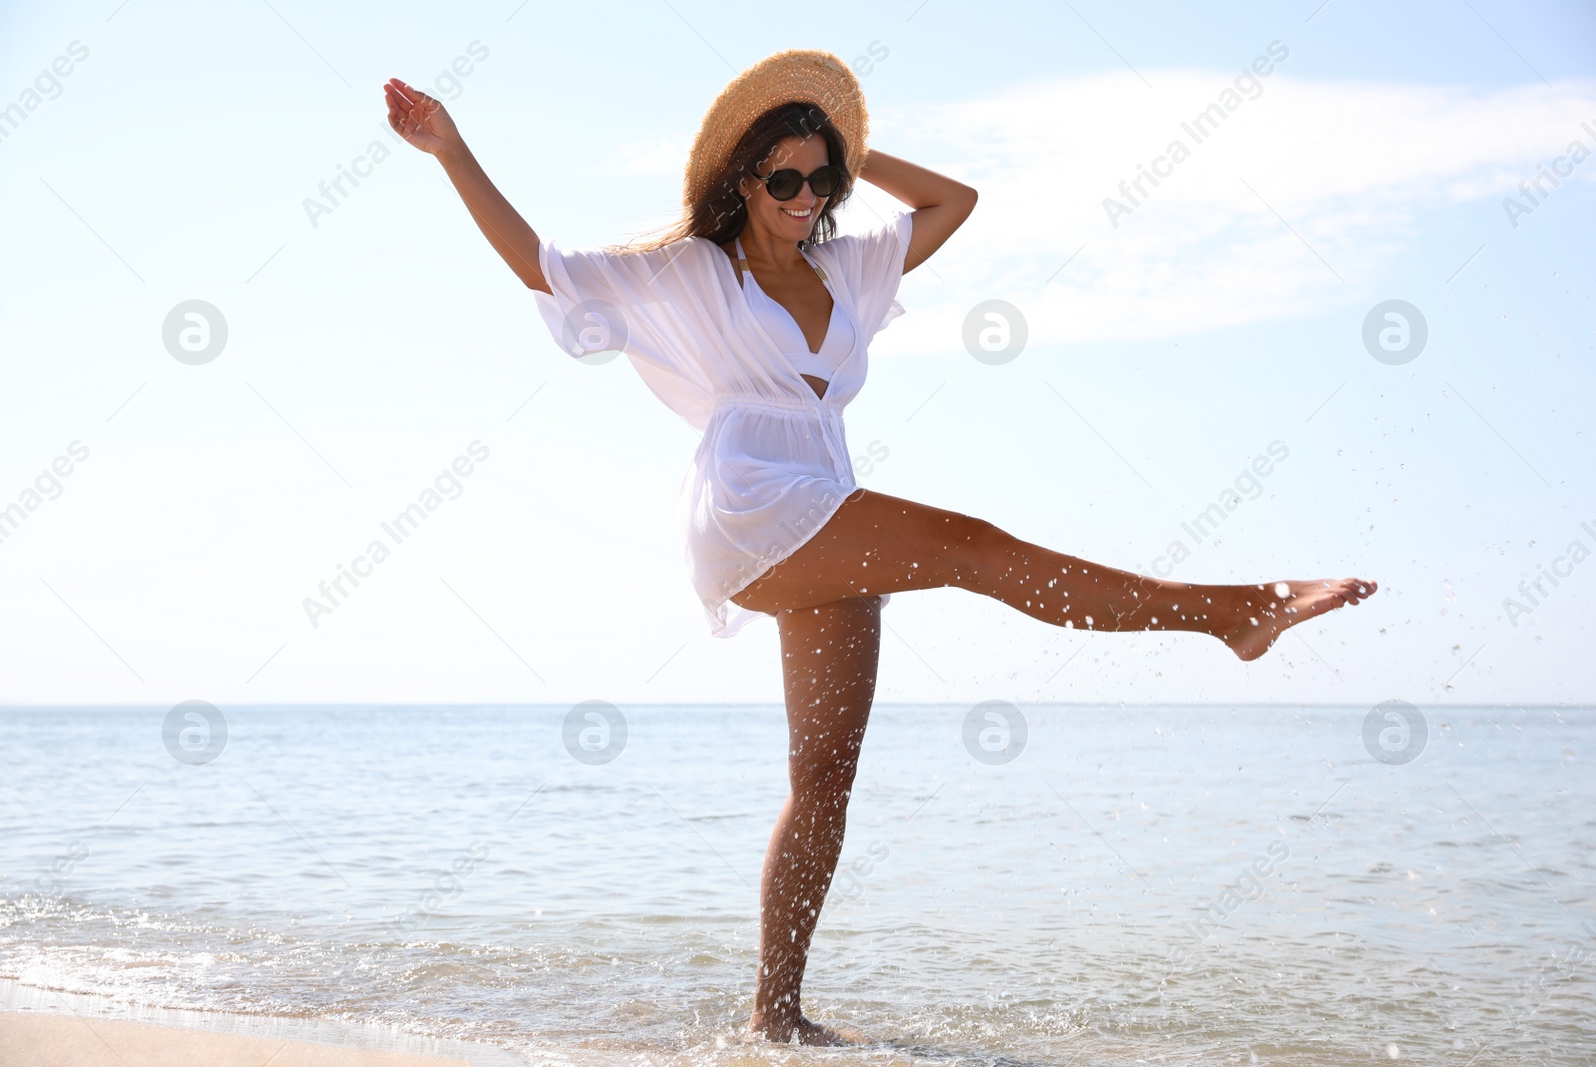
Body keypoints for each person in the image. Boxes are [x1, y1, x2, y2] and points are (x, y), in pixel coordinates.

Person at [383, 49, 1377, 1047]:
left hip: (826, 494)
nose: (805, 197)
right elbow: (536, 261)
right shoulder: (692, 266)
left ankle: (775, 1015)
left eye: (822, 179)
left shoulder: (844, 261)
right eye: (783, 179)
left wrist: (853, 148)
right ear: (740, 180)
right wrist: (450, 150)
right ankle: (1228, 611)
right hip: (751, 498)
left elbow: (955, 200)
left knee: (823, 775)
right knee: (969, 543)